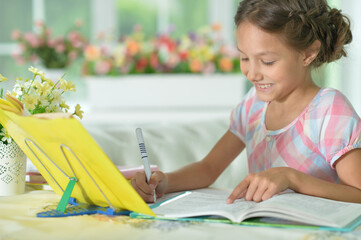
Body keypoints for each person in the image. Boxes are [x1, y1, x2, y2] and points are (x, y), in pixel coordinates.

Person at [131, 0, 361, 204]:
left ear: (308, 54)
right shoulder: (253, 105)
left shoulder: (330, 111)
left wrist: (292, 178)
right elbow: (209, 168)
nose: (252, 73)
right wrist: (165, 182)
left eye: (267, 61)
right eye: (244, 57)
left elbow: (358, 194)